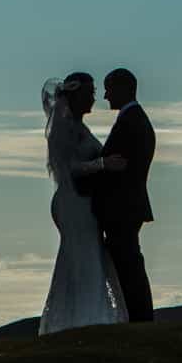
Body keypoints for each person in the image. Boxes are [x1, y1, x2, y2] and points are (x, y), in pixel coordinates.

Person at [37, 72, 127, 335]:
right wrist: (103, 163)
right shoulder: (64, 129)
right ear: (76, 97)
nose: (94, 98)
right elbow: (68, 167)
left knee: (88, 257)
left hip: (82, 201)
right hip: (74, 202)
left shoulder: (78, 127)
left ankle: (87, 316)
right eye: (90, 94)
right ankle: (84, 319)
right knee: (83, 257)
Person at [90, 67, 156, 323]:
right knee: (128, 263)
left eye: (109, 89)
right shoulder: (133, 119)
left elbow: (121, 168)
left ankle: (140, 317)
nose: (105, 96)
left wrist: (94, 169)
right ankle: (137, 316)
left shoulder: (132, 121)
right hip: (127, 206)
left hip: (123, 207)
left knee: (128, 265)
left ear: (123, 88)